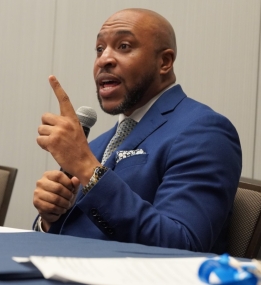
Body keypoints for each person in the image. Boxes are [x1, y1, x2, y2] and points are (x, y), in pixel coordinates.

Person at [33, 8, 242, 254]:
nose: (104, 59)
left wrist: (87, 168)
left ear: (164, 62)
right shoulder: (98, 144)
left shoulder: (205, 133)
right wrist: (50, 218)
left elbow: (181, 245)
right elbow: (74, 231)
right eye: (100, 49)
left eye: (123, 46)